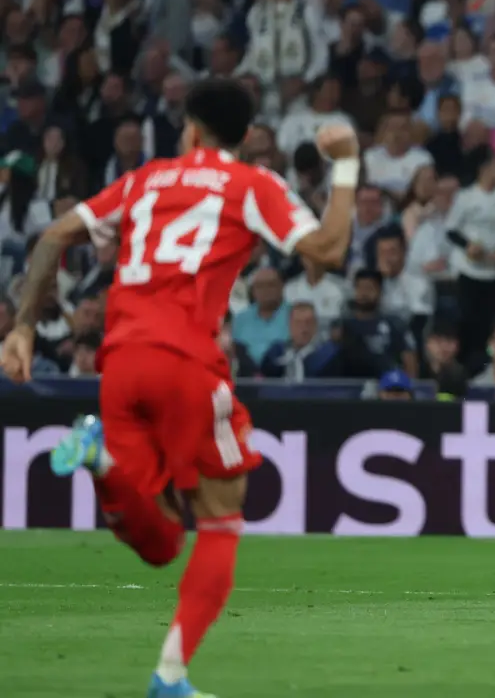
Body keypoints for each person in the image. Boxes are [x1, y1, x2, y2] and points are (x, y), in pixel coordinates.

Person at [0, 78, 360, 698]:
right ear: (247, 136)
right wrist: (348, 164)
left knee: (163, 541)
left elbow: (54, 234)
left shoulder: (142, 181)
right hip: (186, 362)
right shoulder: (251, 184)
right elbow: (327, 250)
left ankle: (102, 460)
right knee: (220, 521)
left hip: (119, 366)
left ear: (189, 128)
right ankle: (169, 676)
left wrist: (24, 328)